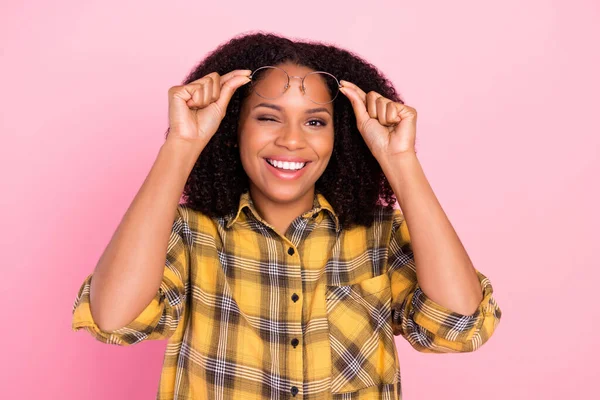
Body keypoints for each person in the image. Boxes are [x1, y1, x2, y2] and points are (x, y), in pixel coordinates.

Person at [71, 32, 501, 399]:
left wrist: (400, 160)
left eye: (315, 122)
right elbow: (114, 318)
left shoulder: (379, 235)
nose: (292, 140)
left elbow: (459, 325)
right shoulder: (190, 233)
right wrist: (182, 143)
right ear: (232, 126)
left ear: (341, 134)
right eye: (267, 117)